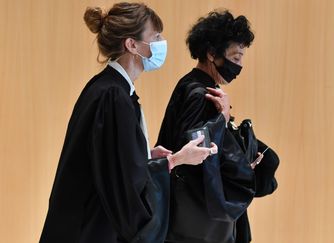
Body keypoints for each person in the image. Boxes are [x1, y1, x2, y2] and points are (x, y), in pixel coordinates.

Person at [39, 2, 217, 243]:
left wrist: (145, 154)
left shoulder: (109, 88)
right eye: (155, 36)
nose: (161, 42)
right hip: (89, 229)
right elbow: (122, 182)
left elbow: (112, 160)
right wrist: (176, 160)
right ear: (132, 44)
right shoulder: (113, 96)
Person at [156, 10, 262, 243]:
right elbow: (194, 150)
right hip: (197, 222)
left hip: (186, 215)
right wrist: (222, 119)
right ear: (212, 53)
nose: (240, 66)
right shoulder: (201, 93)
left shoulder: (188, 83)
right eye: (235, 58)